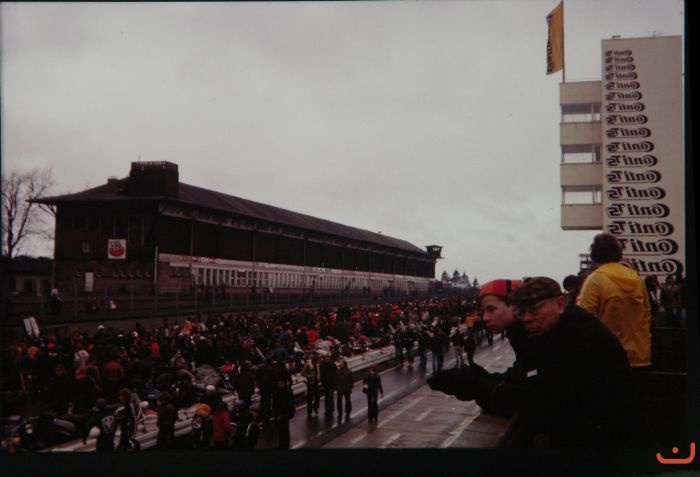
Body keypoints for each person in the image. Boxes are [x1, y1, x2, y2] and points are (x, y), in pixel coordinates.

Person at [435, 277, 636, 448]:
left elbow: (539, 397)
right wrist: (483, 380)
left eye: (534, 310)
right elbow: (529, 378)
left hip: (603, 442)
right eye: (522, 313)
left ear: (560, 304)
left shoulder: (577, 336)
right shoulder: (559, 328)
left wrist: (478, 386)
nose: (527, 319)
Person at [576, 233, 652, 369]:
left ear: (594, 255)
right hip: (639, 357)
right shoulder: (637, 280)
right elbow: (647, 315)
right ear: (619, 254)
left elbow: (583, 320)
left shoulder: (595, 280)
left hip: (606, 358)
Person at [271, 377, 295, 449]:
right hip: (282, 413)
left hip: (284, 413)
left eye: (280, 383)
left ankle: (284, 444)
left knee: (284, 429)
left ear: (283, 383)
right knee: (282, 429)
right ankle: (283, 444)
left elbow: (285, 404)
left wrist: (280, 414)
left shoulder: (286, 392)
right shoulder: (283, 390)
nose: (278, 384)